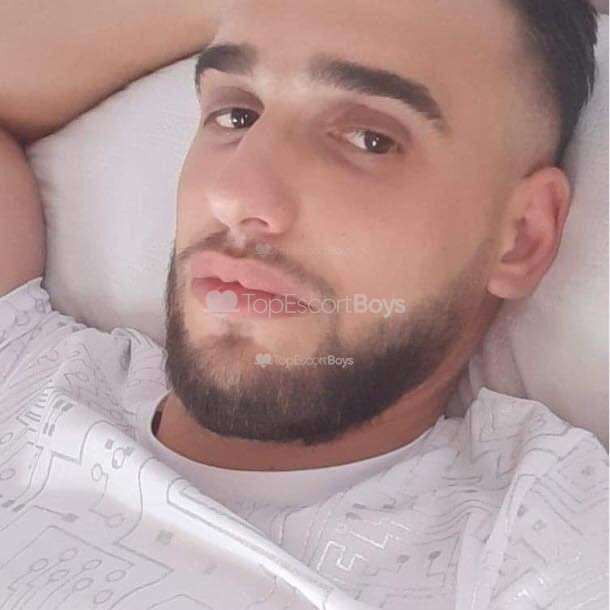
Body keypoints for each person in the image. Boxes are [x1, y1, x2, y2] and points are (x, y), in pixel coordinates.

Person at [0, 1, 607, 608]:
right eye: (235, 115)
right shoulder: (24, 369)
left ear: (520, 236)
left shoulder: (531, 543)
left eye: (370, 140)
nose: (233, 196)